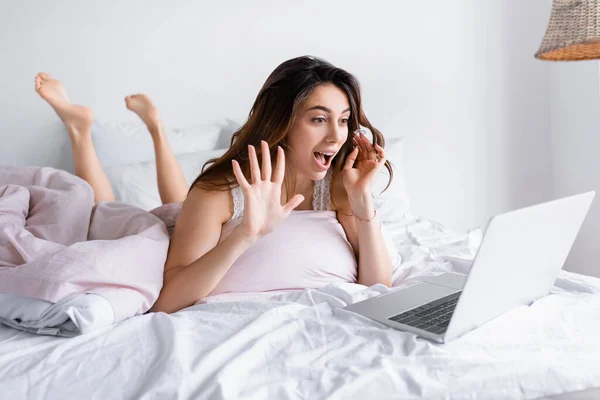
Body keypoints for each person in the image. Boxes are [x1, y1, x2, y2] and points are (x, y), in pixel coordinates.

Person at [36, 56, 395, 314]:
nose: (336, 136)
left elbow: (379, 288)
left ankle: (157, 129)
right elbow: (167, 301)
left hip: (192, 219)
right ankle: (83, 131)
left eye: (345, 120)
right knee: (103, 208)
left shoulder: (338, 187)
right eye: (319, 119)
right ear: (282, 122)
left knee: (180, 202)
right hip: (168, 226)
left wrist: (363, 202)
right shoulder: (215, 192)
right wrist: (247, 235)